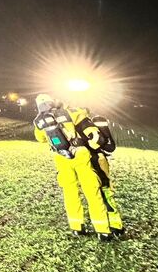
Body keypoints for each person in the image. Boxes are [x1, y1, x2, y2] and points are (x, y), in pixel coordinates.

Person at [32, 93, 121, 242]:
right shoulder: (69, 112)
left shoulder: (40, 121)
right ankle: (103, 230)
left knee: (70, 193)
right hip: (80, 154)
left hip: (60, 157)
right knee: (92, 191)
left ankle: (77, 227)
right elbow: (86, 125)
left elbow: (40, 138)